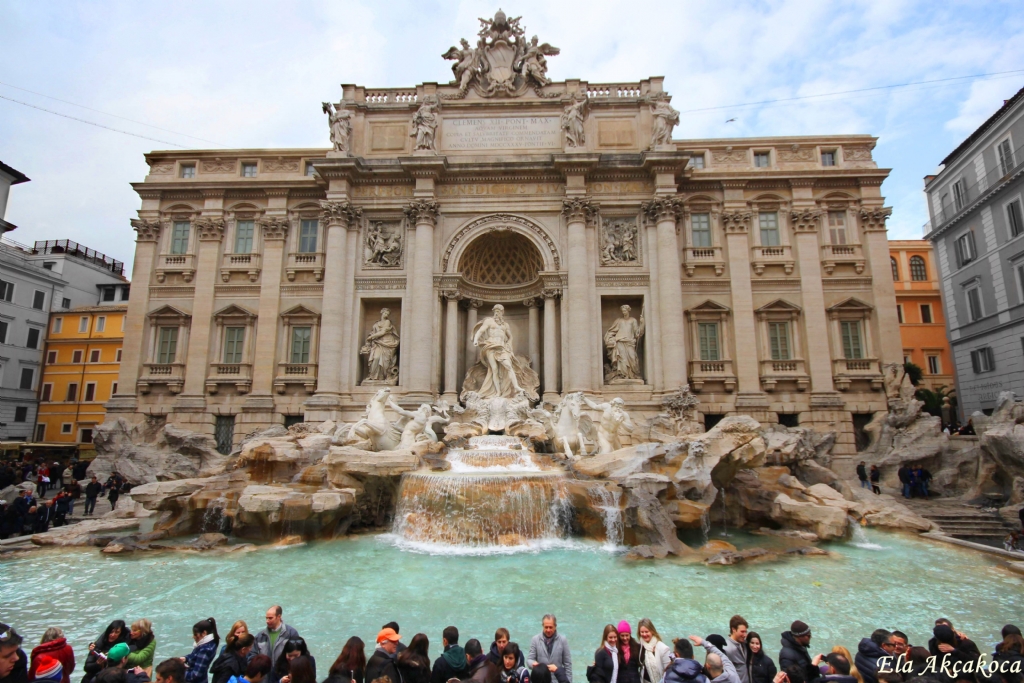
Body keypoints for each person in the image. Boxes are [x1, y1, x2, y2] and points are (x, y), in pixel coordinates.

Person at [528, 616, 572, 683]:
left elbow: (567, 664)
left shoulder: (563, 640)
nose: (548, 630)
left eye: (550, 627)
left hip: (557, 680)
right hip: (540, 679)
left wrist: (569, 681)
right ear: (542, 626)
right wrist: (533, 664)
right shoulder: (535, 639)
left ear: (555, 626)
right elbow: (529, 659)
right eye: (546, 627)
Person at [182, 618, 220, 683]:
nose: (193, 637)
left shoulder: (205, 650)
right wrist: (186, 658)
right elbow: (196, 655)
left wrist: (179, 673)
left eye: (195, 634)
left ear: (204, 633)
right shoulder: (211, 644)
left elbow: (195, 675)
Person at [723, 618, 748, 683]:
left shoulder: (745, 644)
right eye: (742, 632)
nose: (745, 635)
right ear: (733, 629)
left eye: (746, 631)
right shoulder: (727, 649)